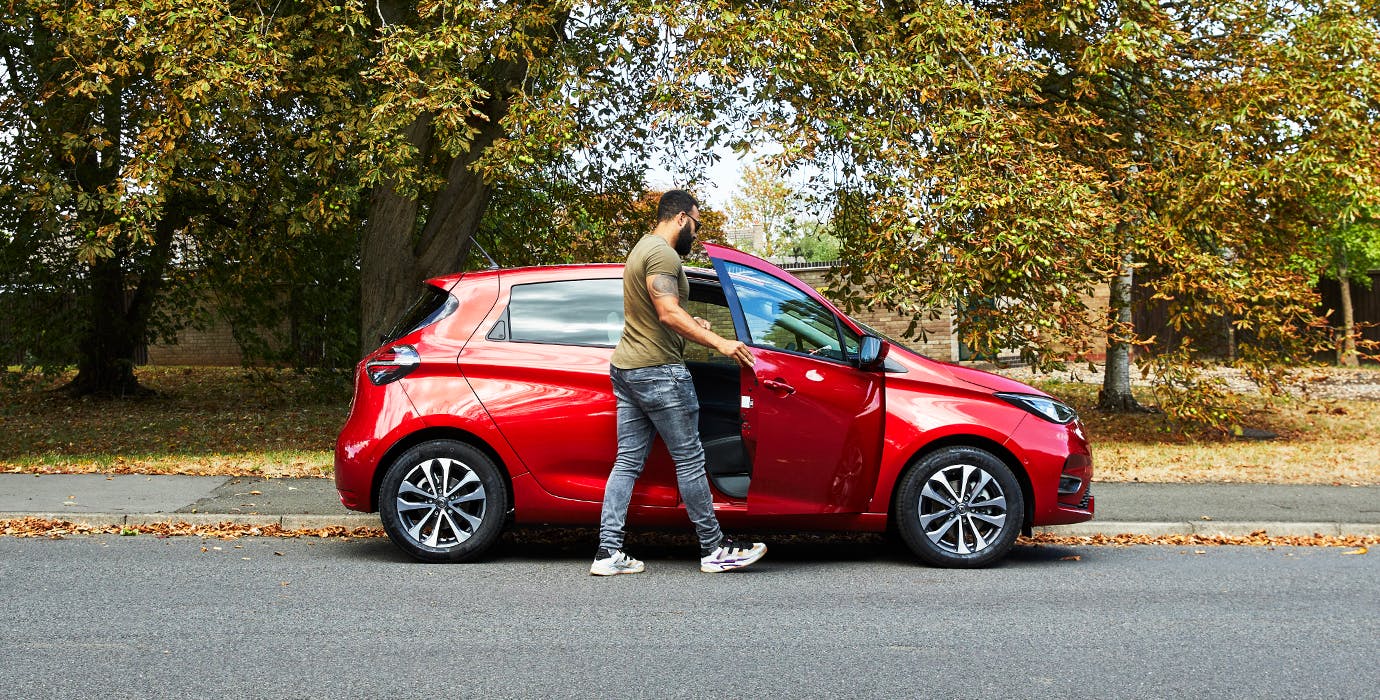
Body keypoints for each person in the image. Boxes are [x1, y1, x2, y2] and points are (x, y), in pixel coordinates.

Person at [591, 190, 767, 576]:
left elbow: (660, 314)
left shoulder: (642, 249)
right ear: (682, 218)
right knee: (689, 459)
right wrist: (721, 342)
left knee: (626, 463)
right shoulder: (663, 254)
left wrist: (696, 325)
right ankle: (713, 548)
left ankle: (608, 553)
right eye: (697, 224)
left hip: (628, 368)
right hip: (658, 372)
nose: (696, 233)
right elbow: (667, 313)